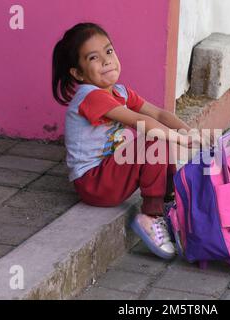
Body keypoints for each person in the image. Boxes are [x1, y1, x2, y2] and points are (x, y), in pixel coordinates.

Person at [52, 22, 202, 260]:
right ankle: (151, 217)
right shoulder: (90, 96)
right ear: (78, 73)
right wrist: (179, 139)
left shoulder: (120, 92)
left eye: (109, 51)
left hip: (110, 172)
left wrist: (190, 134)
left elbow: (160, 114)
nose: (106, 60)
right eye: (94, 58)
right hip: (93, 183)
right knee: (155, 139)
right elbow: (141, 120)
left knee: (158, 137)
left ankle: (171, 201)